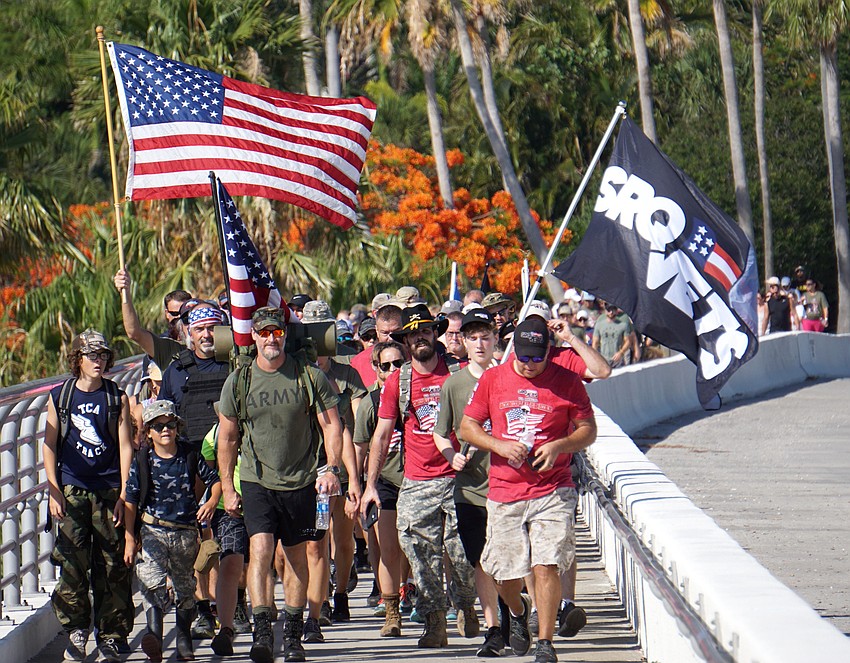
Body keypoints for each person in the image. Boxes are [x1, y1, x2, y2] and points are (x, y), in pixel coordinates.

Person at [460, 316, 597, 663]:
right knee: (504, 572)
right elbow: (467, 426)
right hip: (506, 491)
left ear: (548, 352)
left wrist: (560, 446)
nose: (530, 364)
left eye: (538, 357)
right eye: (524, 356)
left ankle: (545, 643)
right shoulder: (494, 379)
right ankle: (518, 612)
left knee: (546, 564)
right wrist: (499, 446)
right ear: (514, 350)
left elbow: (588, 430)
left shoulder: (567, 381)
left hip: (553, 489)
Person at [217, 307, 345, 663]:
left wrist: (331, 468)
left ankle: (291, 632)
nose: (271, 338)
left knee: (295, 556)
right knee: (259, 550)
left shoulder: (307, 376)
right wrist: (228, 487)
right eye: (264, 333)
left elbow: (332, 424)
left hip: (302, 479)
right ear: (254, 337)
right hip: (256, 479)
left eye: (277, 332)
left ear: (284, 336)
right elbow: (227, 438)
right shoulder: (239, 381)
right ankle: (261, 632)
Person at [360, 304, 478, 649]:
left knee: (461, 555)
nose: (420, 338)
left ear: (434, 333)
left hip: (460, 479)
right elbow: (381, 436)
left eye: (425, 331)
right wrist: (369, 485)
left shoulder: (459, 373)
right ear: (406, 340)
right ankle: (435, 624)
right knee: (420, 555)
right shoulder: (399, 380)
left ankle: (466, 603)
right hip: (418, 480)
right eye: (413, 334)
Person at [42, 329, 134, 663]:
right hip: (72, 488)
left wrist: (125, 493)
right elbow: (49, 444)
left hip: (108, 489)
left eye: (103, 355)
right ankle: (77, 631)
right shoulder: (61, 396)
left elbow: (125, 446)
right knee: (71, 563)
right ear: (77, 359)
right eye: (91, 355)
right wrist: (54, 489)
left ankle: (112, 634)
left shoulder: (116, 396)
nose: (98, 361)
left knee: (112, 565)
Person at [124, 400, 221, 662]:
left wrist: (211, 503)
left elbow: (215, 482)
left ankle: (183, 639)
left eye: (170, 425)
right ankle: (154, 637)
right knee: (150, 581)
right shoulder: (142, 460)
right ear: (149, 433)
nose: (165, 430)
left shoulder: (190, 454)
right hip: (153, 530)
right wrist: (130, 538)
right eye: (158, 426)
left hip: (185, 532)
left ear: (177, 427)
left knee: (185, 588)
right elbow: (131, 500)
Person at [432, 309, 505, 657]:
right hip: (470, 489)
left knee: (511, 561)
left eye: (485, 337)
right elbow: (439, 432)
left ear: (495, 340)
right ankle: (493, 628)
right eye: (471, 337)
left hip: (509, 488)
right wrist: (451, 456)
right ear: (463, 341)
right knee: (480, 561)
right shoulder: (454, 383)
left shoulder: (509, 377)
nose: (479, 344)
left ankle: (514, 614)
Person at [353, 340, 410, 637]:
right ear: (376, 369)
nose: (393, 370)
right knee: (388, 548)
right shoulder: (370, 403)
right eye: (385, 365)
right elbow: (359, 447)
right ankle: (391, 611)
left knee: (417, 548)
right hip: (384, 483)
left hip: (419, 480)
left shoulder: (419, 395)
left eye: (398, 364)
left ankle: (419, 594)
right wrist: (358, 485)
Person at [200, 415, 253, 656]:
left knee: (261, 563)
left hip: (264, 500)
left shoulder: (261, 421)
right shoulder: (212, 436)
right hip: (228, 507)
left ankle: (259, 616)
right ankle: (226, 629)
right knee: (230, 563)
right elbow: (206, 477)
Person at [113, 269, 188, 371]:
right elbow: (134, 333)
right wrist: (124, 292)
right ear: (166, 314)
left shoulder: (209, 340)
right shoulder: (169, 349)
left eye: (185, 314)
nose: (180, 318)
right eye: (175, 314)